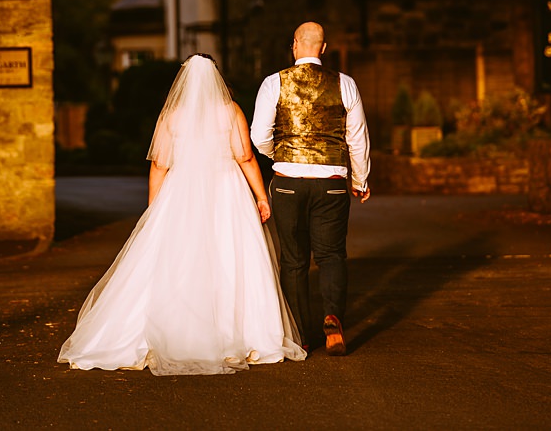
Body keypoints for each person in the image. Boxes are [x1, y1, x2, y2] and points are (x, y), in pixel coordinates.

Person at [57, 54, 306, 375]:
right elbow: (245, 156)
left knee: (183, 259)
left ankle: (179, 328)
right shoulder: (229, 111)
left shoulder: (171, 116)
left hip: (182, 189)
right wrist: (261, 195)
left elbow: (159, 164)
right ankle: (240, 334)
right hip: (226, 191)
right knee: (230, 258)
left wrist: (154, 209)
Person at [251, 22, 371, 356]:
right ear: (323, 47)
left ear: (294, 45)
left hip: (288, 180)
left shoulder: (274, 82)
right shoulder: (344, 84)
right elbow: (357, 137)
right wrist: (359, 180)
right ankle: (332, 318)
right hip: (331, 182)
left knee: (293, 260)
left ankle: (299, 335)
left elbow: (259, 134)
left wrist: (281, 155)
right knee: (332, 255)